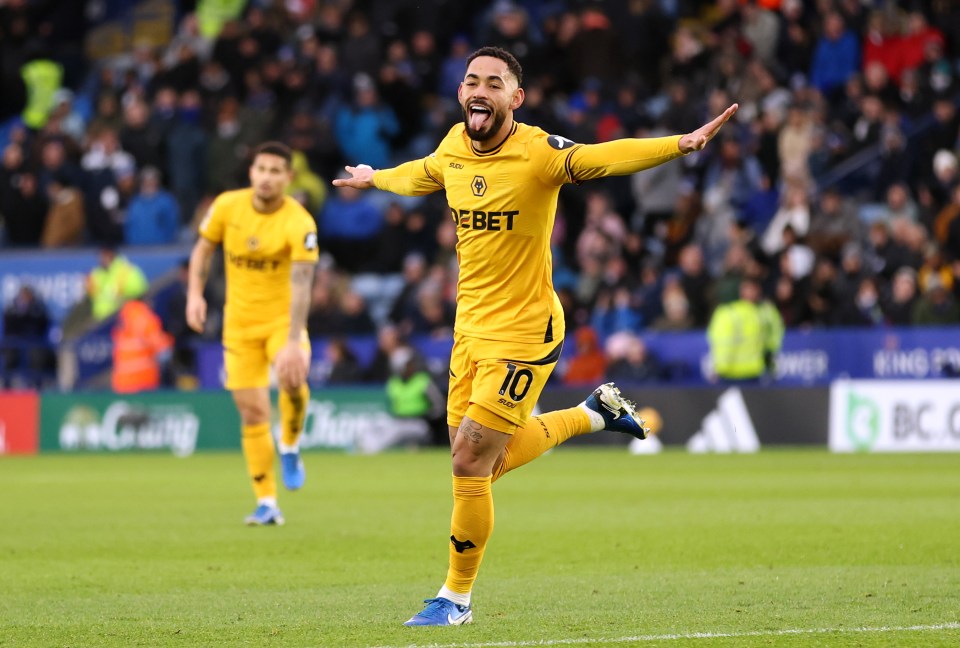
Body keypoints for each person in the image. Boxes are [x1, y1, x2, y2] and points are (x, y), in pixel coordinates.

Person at [333, 46, 737, 626]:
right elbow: (423, 173)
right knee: (477, 465)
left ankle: (456, 599)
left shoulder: (538, 153)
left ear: (514, 99)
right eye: (472, 80)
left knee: (470, 462)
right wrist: (376, 180)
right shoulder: (453, 145)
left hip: (526, 330)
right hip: (469, 331)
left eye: (494, 83)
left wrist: (679, 144)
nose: (480, 89)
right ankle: (594, 413)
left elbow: (604, 157)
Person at [185, 141, 319, 526]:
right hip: (239, 325)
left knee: (294, 379)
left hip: (282, 322)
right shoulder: (228, 206)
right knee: (253, 413)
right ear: (251, 172)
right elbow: (202, 250)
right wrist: (194, 296)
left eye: (276, 171)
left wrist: (294, 340)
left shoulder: (299, 222)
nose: (266, 177)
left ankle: (290, 445)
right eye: (261, 169)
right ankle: (267, 502)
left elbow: (303, 282)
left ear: (288, 178)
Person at [706, 276, 784, 383]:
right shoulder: (729, 312)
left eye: (753, 288)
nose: (750, 292)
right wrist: (720, 368)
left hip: (756, 370)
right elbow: (722, 342)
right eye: (746, 288)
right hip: (731, 372)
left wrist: (770, 353)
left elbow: (775, 333)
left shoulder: (767, 309)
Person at [111, 299, 173, 393]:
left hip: (122, 380)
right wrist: (169, 340)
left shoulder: (124, 317)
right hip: (143, 377)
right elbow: (161, 347)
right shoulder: (144, 317)